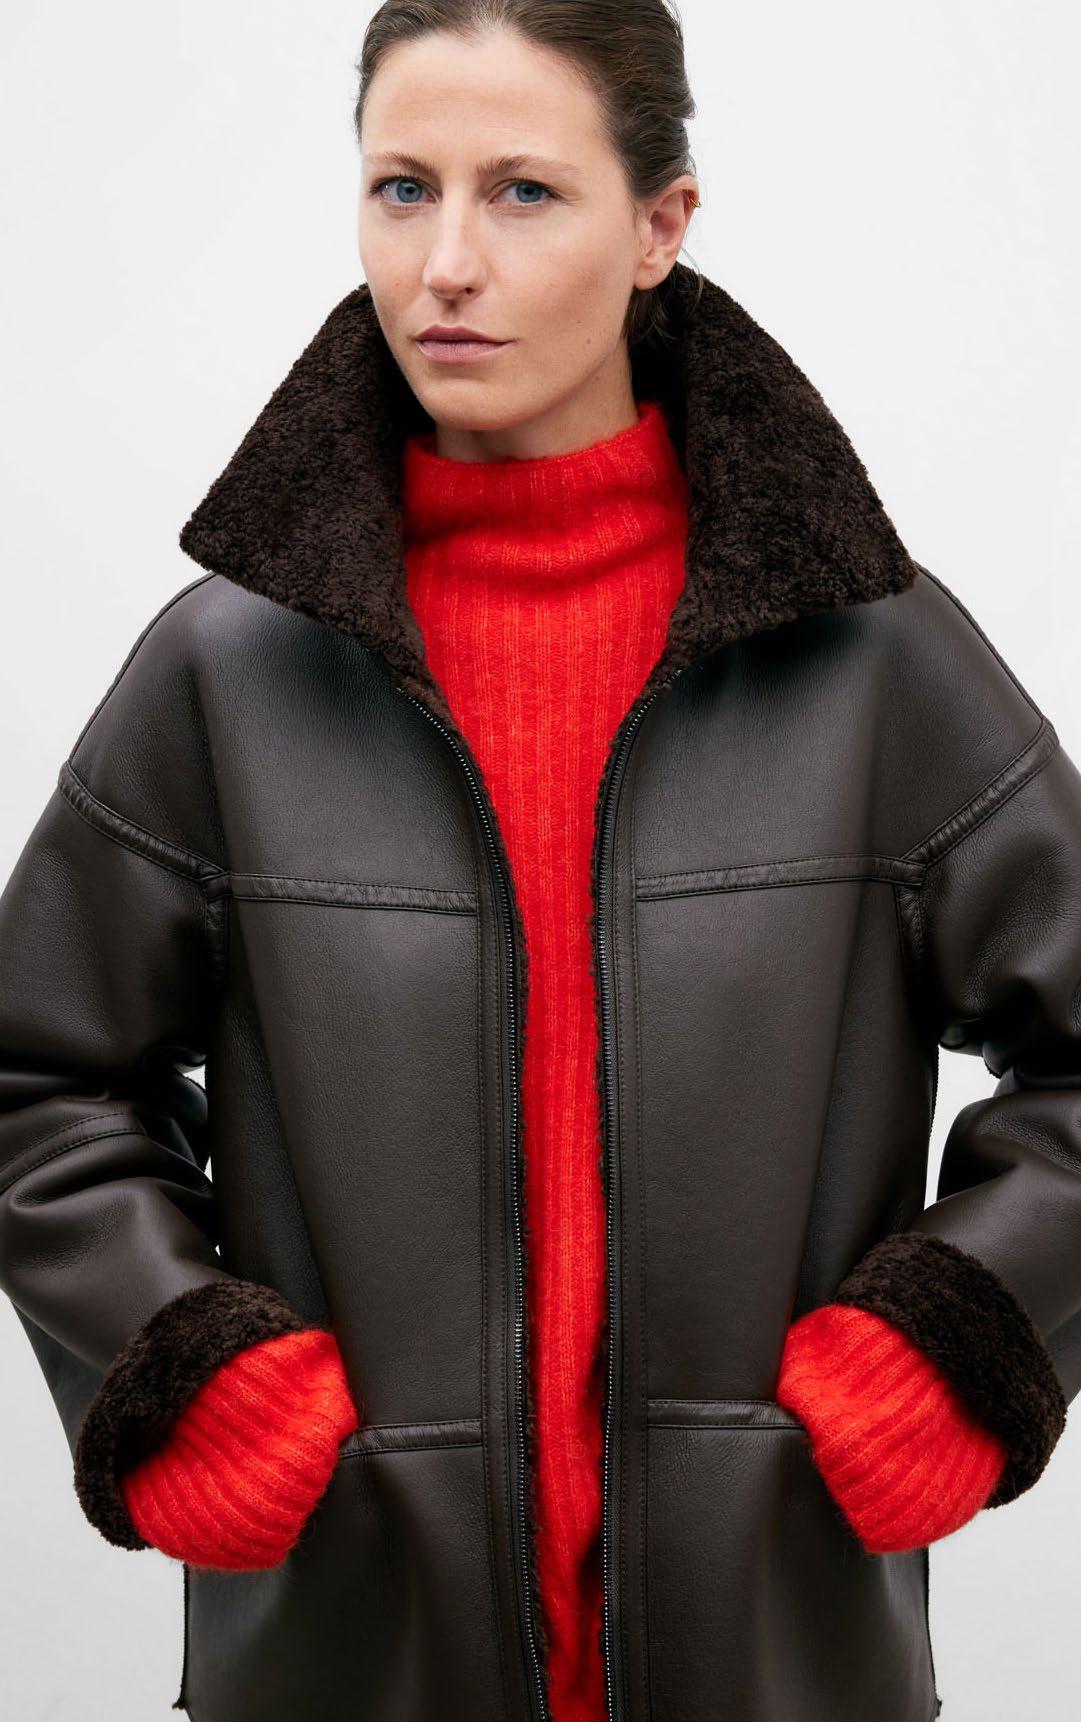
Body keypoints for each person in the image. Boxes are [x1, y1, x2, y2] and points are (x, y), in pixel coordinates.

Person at [1, 4, 1078, 1721]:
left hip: (774, 1652)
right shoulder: (226, 670)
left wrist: (953, 1339)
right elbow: (37, 1073)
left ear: (660, 224)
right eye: (401, 188)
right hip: (349, 1653)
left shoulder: (874, 659)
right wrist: (183, 1366)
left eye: (521, 192)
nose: (444, 263)